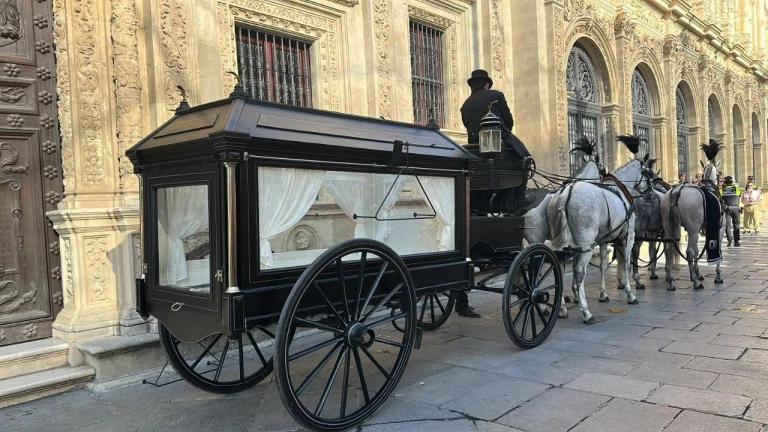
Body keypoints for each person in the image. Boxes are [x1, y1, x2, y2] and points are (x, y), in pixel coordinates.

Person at [460, 69, 534, 208]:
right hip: (497, 138)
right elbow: (509, 122)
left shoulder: (465, 105)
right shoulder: (496, 95)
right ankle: (519, 197)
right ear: (486, 85)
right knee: (526, 159)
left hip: (474, 145)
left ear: (472, 86)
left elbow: (466, 124)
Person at [721, 176, 741, 247]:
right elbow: (739, 195)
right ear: (732, 182)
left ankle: (729, 240)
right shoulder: (737, 189)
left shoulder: (722, 190)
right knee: (736, 225)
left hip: (727, 209)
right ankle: (736, 241)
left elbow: (720, 198)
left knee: (727, 225)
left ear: (724, 182)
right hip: (736, 209)